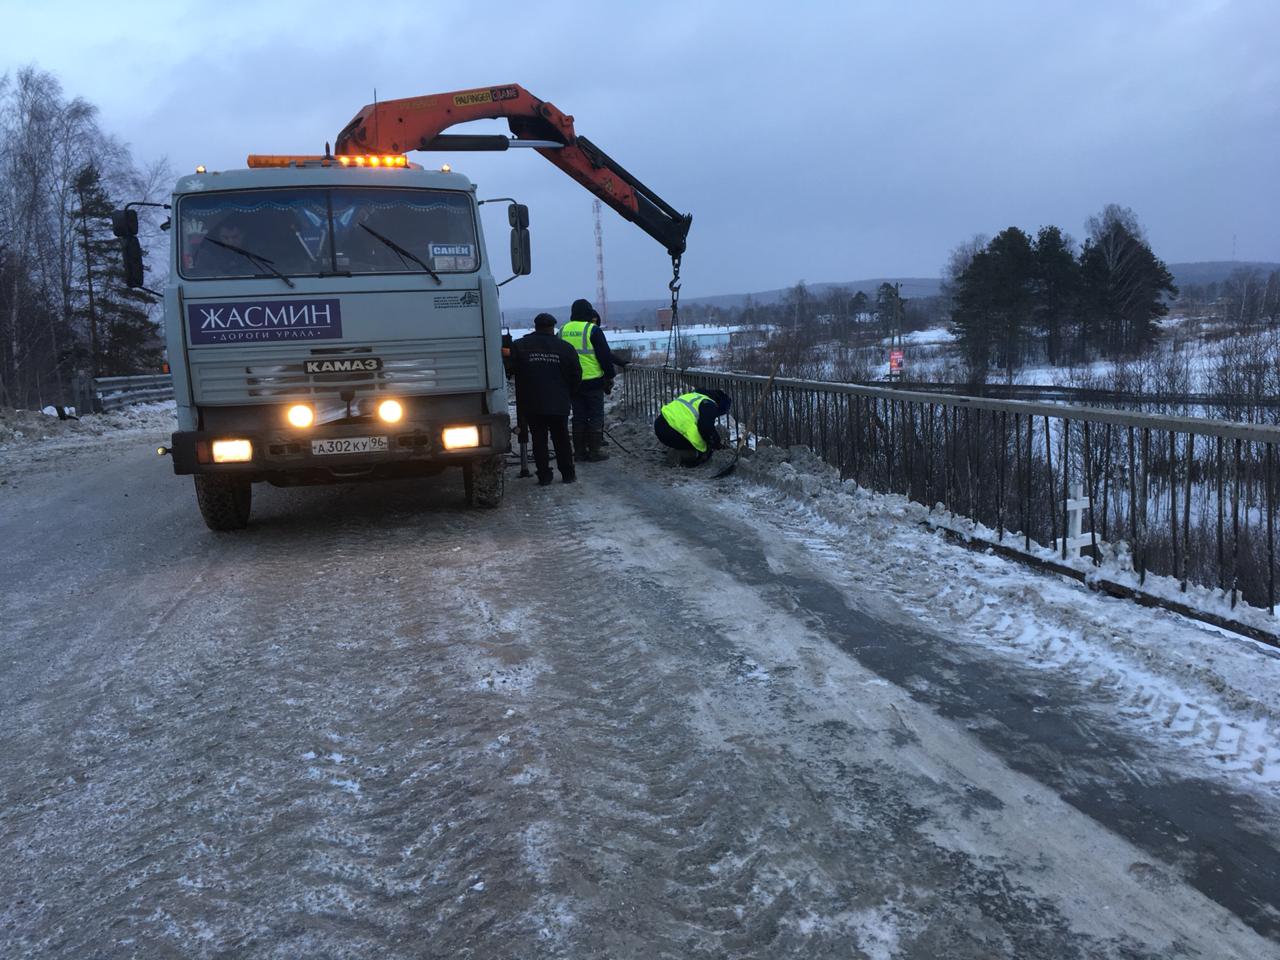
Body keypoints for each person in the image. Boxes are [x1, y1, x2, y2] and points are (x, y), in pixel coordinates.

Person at [512, 313, 582, 485]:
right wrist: (569, 394)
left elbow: (513, 371)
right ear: (553, 328)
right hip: (559, 402)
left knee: (539, 440)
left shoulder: (520, 346)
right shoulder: (565, 348)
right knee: (562, 438)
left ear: (535, 327)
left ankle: (544, 476)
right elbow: (576, 375)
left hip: (533, 403)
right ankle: (568, 474)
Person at [560, 298, 617, 462]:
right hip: (593, 381)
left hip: (572, 383)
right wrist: (609, 375)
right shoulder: (592, 329)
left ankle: (578, 452)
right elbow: (605, 356)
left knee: (578, 416)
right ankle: (594, 451)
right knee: (595, 416)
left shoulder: (562, 330)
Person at [654, 388, 733, 466]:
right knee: (701, 451)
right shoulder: (708, 404)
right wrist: (716, 443)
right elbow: (706, 428)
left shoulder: (693, 396)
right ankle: (679, 455)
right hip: (672, 430)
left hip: (660, 424)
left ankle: (678, 449)